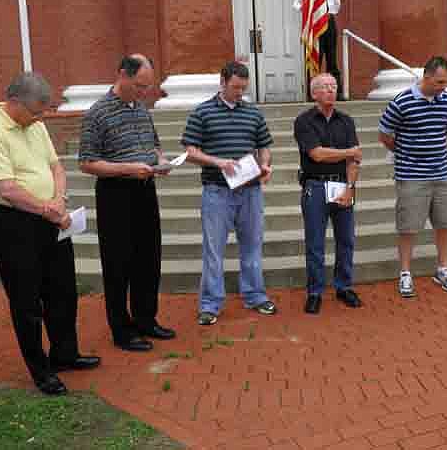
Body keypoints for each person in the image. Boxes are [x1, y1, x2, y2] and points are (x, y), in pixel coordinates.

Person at [0, 72, 100, 395]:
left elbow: (55, 166)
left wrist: (57, 201)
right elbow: (7, 188)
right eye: (35, 111)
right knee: (27, 303)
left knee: (63, 292)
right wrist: (47, 209)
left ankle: (65, 353)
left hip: (51, 219)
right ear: (14, 103)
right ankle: (41, 371)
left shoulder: (36, 125)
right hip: (14, 227)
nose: (41, 117)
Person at [79, 55, 175, 352]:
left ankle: (146, 319)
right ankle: (122, 330)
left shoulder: (142, 110)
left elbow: (154, 144)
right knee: (119, 263)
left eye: (147, 87)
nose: (144, 92)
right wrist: (129, 168)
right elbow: (87, 162)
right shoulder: (97, 113)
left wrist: (160, 161)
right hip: (115, 195)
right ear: (122, 74)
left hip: (145, 191)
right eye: (139, 86)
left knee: (149, 258)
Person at [181, 61, 277, 326]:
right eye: (235, 87)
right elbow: (190, 152)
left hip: (250, 191)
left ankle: (255, 296)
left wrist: (266, 164)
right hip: (217, 191)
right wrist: (218, 162)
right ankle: (210, 304)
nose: (239, 92)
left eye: (244, 88)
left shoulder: (254, 113)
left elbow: (263, 145)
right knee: (214, 250)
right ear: (222, 82)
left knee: (252, 246)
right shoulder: (202, 112)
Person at [378, 56, 447, 298]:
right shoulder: (402, 101)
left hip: (443, 172)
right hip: (411, 175)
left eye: (446, 82)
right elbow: (384, 134)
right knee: (408, 226)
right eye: (439, 82)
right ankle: (405, 273)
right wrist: (404, 152)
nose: (443, 87)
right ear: (426, 77)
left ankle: (443, 269)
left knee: (445, 223)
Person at [294, 73, 363, 314]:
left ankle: (344, 286)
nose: (331, 90)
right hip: (315, 187)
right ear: (314, 94)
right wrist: (348, 152)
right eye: (325, 87)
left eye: (334, 86)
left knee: (346, 240)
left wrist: (350, 187)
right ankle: (315, 292)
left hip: (343, 185)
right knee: (315, 243)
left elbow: (355, 160)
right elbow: (316, 154)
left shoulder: (347, 121)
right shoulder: (304, 121)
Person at [293, 0, 342, 89]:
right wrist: (310, 10)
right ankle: (313, 92)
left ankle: (337, 91)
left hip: (328, 20)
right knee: (315, 58)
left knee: (332, 58)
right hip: (313, 22)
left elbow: (337, 3)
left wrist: (328, 12)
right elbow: (297, 4)